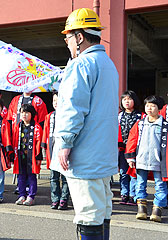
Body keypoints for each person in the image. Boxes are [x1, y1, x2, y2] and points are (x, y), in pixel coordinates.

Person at [50, 8, 119, 239]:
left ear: (80, 37)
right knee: (102, 209)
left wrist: (65, 142)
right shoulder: (108, 64)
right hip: (102, 154)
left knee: (88, 213)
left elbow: (72, 107)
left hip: (84, 155)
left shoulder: (80, 64)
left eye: (68, 37)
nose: (66, 42)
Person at [125, 95, 168, 223]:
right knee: (140, 185)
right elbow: (132, 140)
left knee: (160, 186)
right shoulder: (140, 124)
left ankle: (157, 210)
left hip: (159, 163)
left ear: (159, 109)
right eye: (147, 105)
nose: (149, 108)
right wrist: (130, 157)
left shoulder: (165, 125)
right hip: (141, 160)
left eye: (153, 106)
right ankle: (141, 210)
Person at [42, 91, 70, 210]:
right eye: (54, 101)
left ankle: (64, 199)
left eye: (58, 101)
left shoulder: (68, 115)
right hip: (52, 147)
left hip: (63, 147)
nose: (56, 103)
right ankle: (55, 199)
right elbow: (45, 132)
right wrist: (44, 148)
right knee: (53, 177)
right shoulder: (49, 116)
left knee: (64, 176)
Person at [12, 104, 42, 206]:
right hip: (20, 156)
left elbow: (39, 142)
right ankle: (22, 195)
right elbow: (14, 140)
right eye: (22, 112)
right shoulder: (18, 126)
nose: (24, 115)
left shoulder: (36, 127)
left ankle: (31, 196)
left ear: (32, 114)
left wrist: (38, 156)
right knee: (20, 176)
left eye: (26, 112)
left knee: (32, 176)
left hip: (31, 157)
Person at [118, 90, 142, 205]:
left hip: (136, 149)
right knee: (123, 172)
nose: (126, 102)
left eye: (129, 99)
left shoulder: (140, 116)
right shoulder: (119, 115)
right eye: (124, 99)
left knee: (134, 172)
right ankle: (124, 194)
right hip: (122, 148)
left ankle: (133, 195)